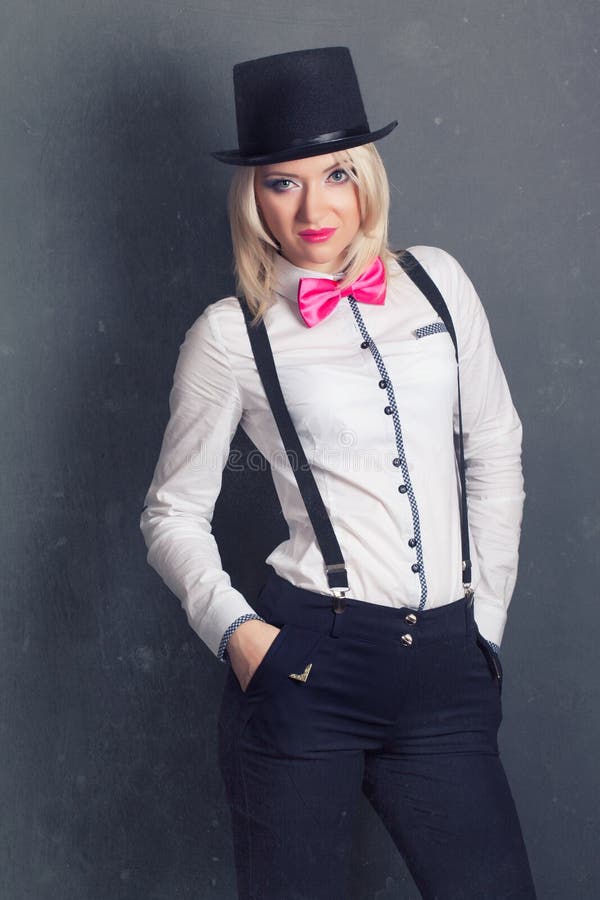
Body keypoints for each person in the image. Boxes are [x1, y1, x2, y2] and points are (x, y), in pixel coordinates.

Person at [139, 46, 537, 900]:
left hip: (446, 672)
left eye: (336, 174)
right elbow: (172, 513)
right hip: (309, 667)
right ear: (254, 196)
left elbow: (494, 449)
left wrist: (486, 621)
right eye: (284, 182)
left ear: (368, 177)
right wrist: (243, 640)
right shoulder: (229, 335)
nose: (315, 207)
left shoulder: (440, 284)